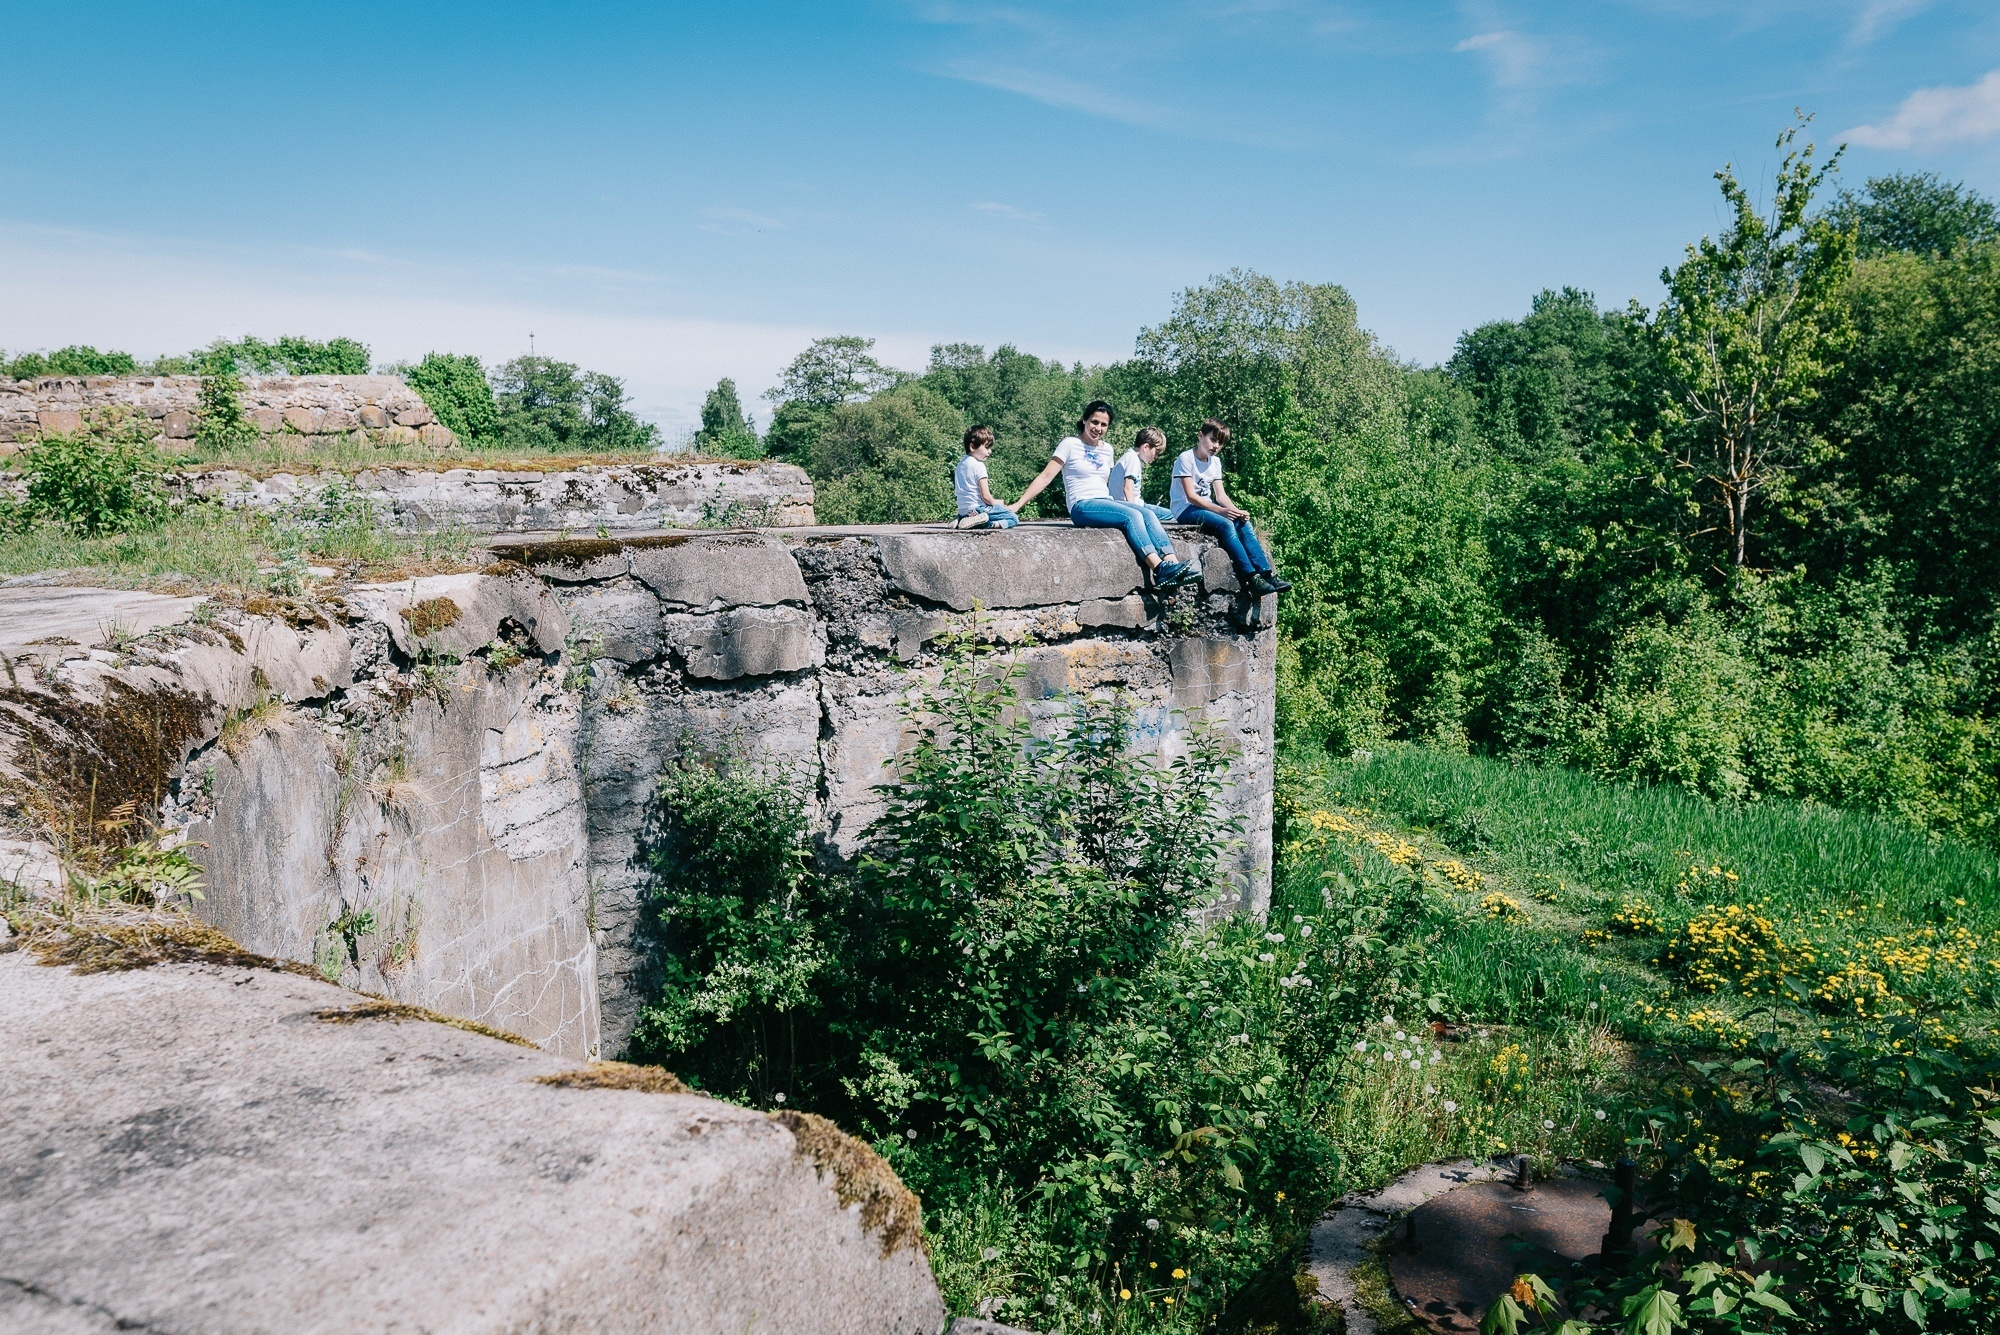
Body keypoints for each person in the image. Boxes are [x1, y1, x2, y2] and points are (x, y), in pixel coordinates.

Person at [1014, 401, 1198, 589]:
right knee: (1132, 515)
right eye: (1094, 422)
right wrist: (1017, 505)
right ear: (1084, 420)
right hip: (1082, 505)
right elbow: (1045, 477)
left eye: (1104, 425)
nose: (1098, 428)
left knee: (1147, 513)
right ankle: (1159, 569)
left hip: (1105, 502)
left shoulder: (1107, 449)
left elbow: (1108, 483)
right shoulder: (1069, 444)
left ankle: (1173, 565)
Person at [1168, 419, 1292, 596]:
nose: (1216, 446)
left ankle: (1266, 574)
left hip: (1206, 507)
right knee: (1225, 524)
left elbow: (1221, 496)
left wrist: (1236, 511)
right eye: (1213, 439)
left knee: (1243, 523)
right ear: (1200, 436)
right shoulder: (1186, 458)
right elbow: (1191, 496)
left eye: (1220, 443)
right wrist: (1222, 512)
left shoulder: (1215, 462)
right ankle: (1251, 577)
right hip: (1185, 509)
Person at [952, 424, 1019, 529]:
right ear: (972, 447)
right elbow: (986, 497)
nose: (990, 451)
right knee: (1013, 518)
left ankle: (960, 519)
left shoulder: (960, 464)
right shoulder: (979, 465)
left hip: (963, 510)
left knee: (989, 513)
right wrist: (997, 503)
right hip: (978, 509)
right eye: (987, 447)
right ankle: (988, 524)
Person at [1109, 426, 1172, 521]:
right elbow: (1127, 488)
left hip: (1122, 504)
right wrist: (1135, 513)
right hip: (1129, 505)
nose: (1156, 457)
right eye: (1156, 452)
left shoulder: (1129, 456)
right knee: (1174, 515)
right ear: (1146, 447)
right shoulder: (1133, 459)